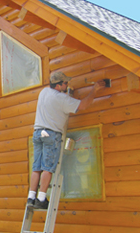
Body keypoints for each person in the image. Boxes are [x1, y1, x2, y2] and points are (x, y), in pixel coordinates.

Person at [27, 71, 105, 209]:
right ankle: (41, 198)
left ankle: (31, 197)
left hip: (38, 133)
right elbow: (82, 105)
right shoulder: (61, 99)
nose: (67, 84)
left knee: (37, 167)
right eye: (65, 83)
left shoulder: (43, 92)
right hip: (50, 134)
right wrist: (94, 90)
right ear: (58, 85)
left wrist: (68, 95)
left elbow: (59, 103)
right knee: (47, 168)